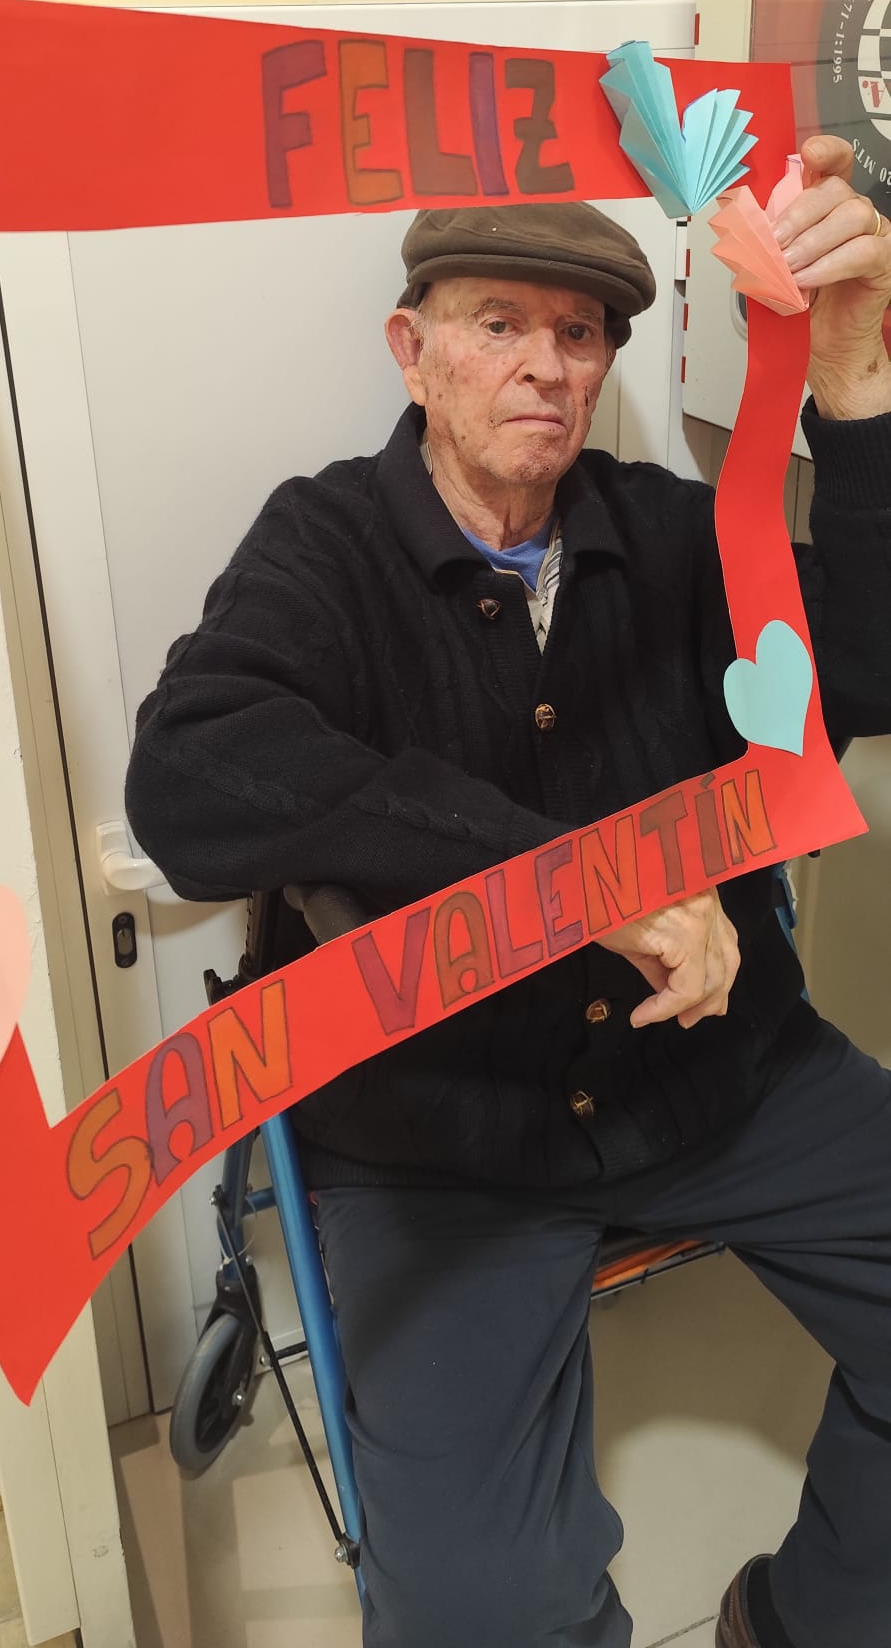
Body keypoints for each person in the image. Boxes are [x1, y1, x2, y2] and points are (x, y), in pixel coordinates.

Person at [126, 134, 891, 1648]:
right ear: (411, 353)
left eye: (580, 331)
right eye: (498, 323)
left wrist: (857, 382)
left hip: (718, 1079)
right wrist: (576, 882)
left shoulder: (671, 530)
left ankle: (800, 1620)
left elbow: (866, 673)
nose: (546, 364)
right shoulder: (324, 542)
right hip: (442, 1137)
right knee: (480, 1611)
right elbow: (193, 780)